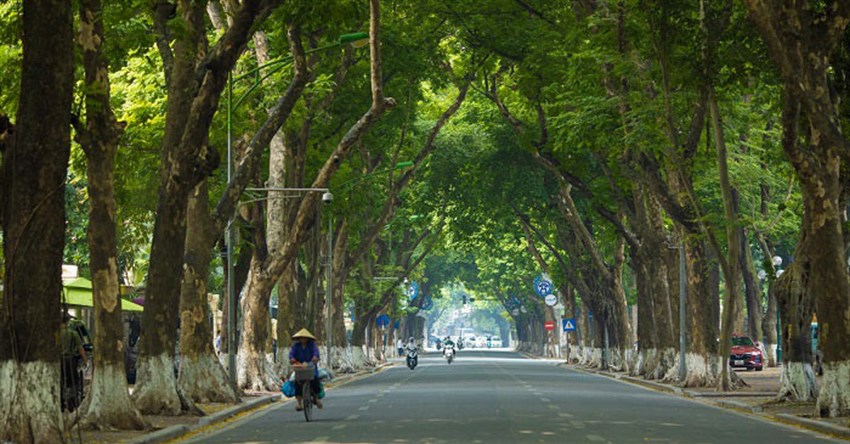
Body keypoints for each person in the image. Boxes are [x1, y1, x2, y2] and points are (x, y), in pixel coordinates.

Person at [289, 328, 322, 411]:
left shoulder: (312, 345)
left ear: (307, 338)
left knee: (315, 381)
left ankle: (316, 398)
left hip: (310, 366)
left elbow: (316, 353)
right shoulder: (296, 346)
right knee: (297, 382)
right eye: (301, 338)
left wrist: (315, 358)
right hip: (299, 367)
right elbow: (291, 354)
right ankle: (299, 403)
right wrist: (292, 359)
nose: (303, 339)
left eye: (305, 338)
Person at [60, 313, 87, 411]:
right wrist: (85, 360)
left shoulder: (55, 334)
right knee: (73, 382)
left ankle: (61, 403)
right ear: (67, 321)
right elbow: (80, 348)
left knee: (60, 381)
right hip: (70, 360)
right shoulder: (73, 333)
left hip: (59, 361)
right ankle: (72, 403)